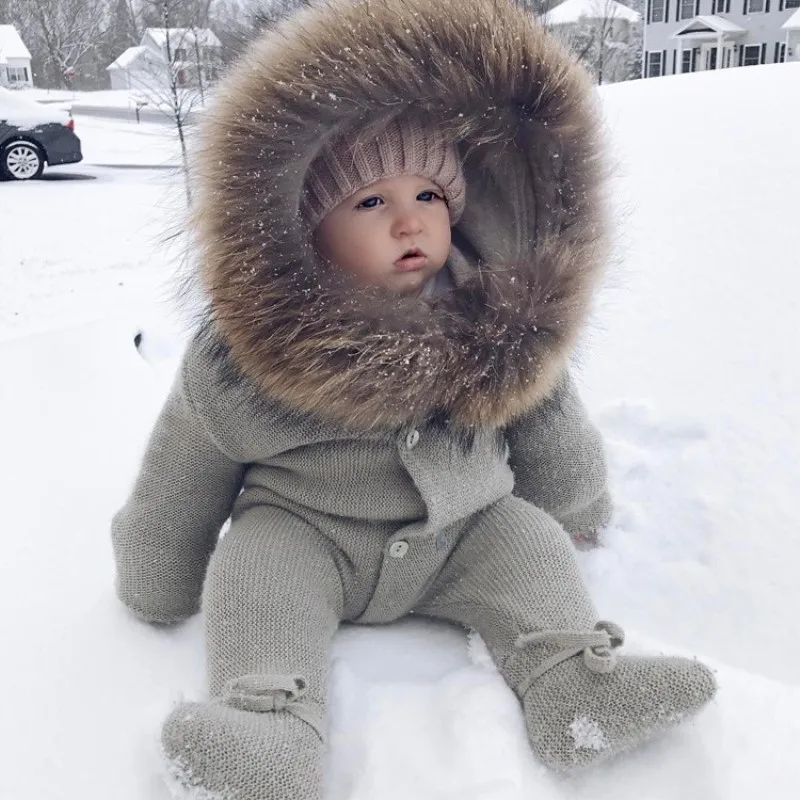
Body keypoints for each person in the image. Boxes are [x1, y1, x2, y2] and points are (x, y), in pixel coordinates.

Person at [111, 1, 716, 797]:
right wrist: (159, 569)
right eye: (369, 203)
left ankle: (573, 685)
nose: (409, 221)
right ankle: (270, 729)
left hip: (463, 533)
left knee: (526, 539)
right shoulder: (250, 348)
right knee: (254, 570)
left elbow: (547, 415)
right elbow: (187, 459)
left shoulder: (497, 314)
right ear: (303, 227)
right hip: (308, 534)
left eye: (429, 195)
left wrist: (577, 505)